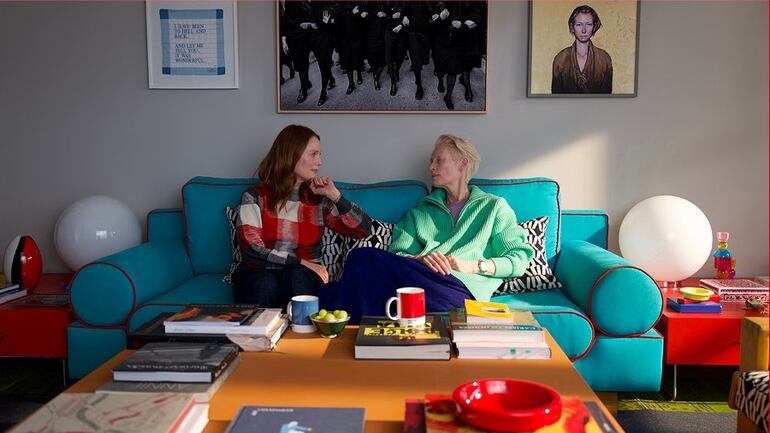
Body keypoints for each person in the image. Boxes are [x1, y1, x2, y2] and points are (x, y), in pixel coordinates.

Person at [319, 134, 534, 323]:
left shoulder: (494, 207)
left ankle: (345, 329)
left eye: (439, 160)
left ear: (462, 164)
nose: (431, 167)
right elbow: (398, 255)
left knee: (340, 289)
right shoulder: (421, 211)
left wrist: (473, 265)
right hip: (420, 282)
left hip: (460, 290)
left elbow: (518, 260)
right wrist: (421, 260)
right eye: (432, 161)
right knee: (360, 259)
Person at [232, 125, 373, 308]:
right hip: (259, 273)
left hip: (301, 276)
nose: (320, 162)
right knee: (265, 284)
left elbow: (363, 230)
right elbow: (252, 250)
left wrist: (336, 197)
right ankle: (263, 327)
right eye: (314, 154)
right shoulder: (254, 197)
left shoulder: (318, 199)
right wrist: (303, 262)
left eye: (320, 155)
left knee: (295, 275)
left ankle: (300, 326)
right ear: (292, 154)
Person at [551, 5, 612, 94]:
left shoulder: (604, 59)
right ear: (572, 27)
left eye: (588, 24)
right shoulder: (560, 59)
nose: (584, 30)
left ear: (594, 27)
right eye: (579, 24)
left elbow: (607, 97)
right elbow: (556, 97)